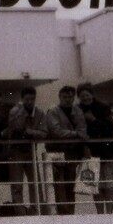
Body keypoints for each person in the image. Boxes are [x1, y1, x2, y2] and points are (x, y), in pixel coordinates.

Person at [4, 85, 49, 215]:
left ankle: (36, 210)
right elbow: (15, 127)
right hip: (16, 151)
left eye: (32, 99)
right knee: (17, 184)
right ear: (22, 99)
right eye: (27, 99)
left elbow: (44, 133)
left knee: (35, 182)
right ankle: (19, 212)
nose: (30, 102)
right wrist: (23, 114)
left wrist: (31, 132)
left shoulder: (39, 113)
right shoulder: (15, 111)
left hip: (31, 151)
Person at [44, 86, 87, 215]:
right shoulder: (52, 112)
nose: (67, 99)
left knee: (70, 184)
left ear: (73, 98)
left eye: (70, 97)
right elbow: (56, 131)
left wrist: (74, 134)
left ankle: (70, 213)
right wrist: (75, 134)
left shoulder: (78, 111)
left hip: (72, 152)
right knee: (59, 184)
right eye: (65, 97)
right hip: (56, 152)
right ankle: (62, 213)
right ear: (60, 97)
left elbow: (83, 129)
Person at [77, 84, 113, 213]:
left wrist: (93, 120)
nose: (85, 98)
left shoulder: (103, 107)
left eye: (87, 95)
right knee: (95, 184)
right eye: (82, 96)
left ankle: (109, 211)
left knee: (108, 182)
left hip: (107, 151)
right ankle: (100, 212)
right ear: (79, 97)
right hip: (90, 151)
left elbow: (110, 129)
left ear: (92, 95)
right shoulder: (77, 109)